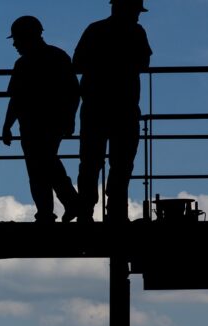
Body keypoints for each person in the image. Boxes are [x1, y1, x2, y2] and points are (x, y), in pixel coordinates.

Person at [73, 0, 152, 222]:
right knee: (122, 162)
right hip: (123, 107)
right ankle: (116, 211)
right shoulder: (136, 32)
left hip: (95, 107)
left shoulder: (95, 29)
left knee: (90, 161)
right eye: (136, 11)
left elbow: (77, 63)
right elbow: (144, 63)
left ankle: (86, 211)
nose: (138, 15)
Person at [2, 15, 81, 223]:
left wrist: (7, 125)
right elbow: (73, 92)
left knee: (41, 166)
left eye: (17, 40)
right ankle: (63, 206)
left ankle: (55, 209)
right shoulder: (57, 57)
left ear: (27, 37)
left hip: (35, 124)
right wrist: (70, 119)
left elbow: (16, 99)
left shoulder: (25, 64)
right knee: (45, 164)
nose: (15, 45)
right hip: (44, 124)